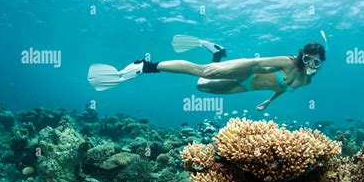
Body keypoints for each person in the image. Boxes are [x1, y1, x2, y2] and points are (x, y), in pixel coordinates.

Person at [87, 35, 326, 110]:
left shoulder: (307, 82)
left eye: (315, 63)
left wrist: (268, 101)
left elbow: (284, 89)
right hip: (247, 71)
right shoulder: (287, 62)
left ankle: (217, 52)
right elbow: (256, 61)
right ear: (301, 55)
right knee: (203, 72)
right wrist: (228, 67)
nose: (309, 64)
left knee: (201, 86)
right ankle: (146, 66)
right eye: (307, 58)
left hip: (248, 86)